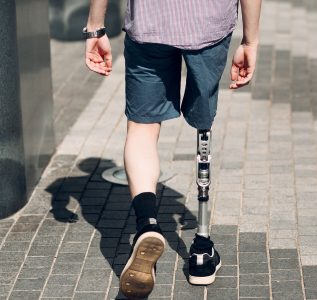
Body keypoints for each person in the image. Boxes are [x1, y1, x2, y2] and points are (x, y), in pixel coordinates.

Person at [84, 0, 261, 298]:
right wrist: (250, 40)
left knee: (141, 128)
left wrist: (95, 28)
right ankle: (202, 251)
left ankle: (147, 223)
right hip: (208, 25)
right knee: (203, 125)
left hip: (150, 24)